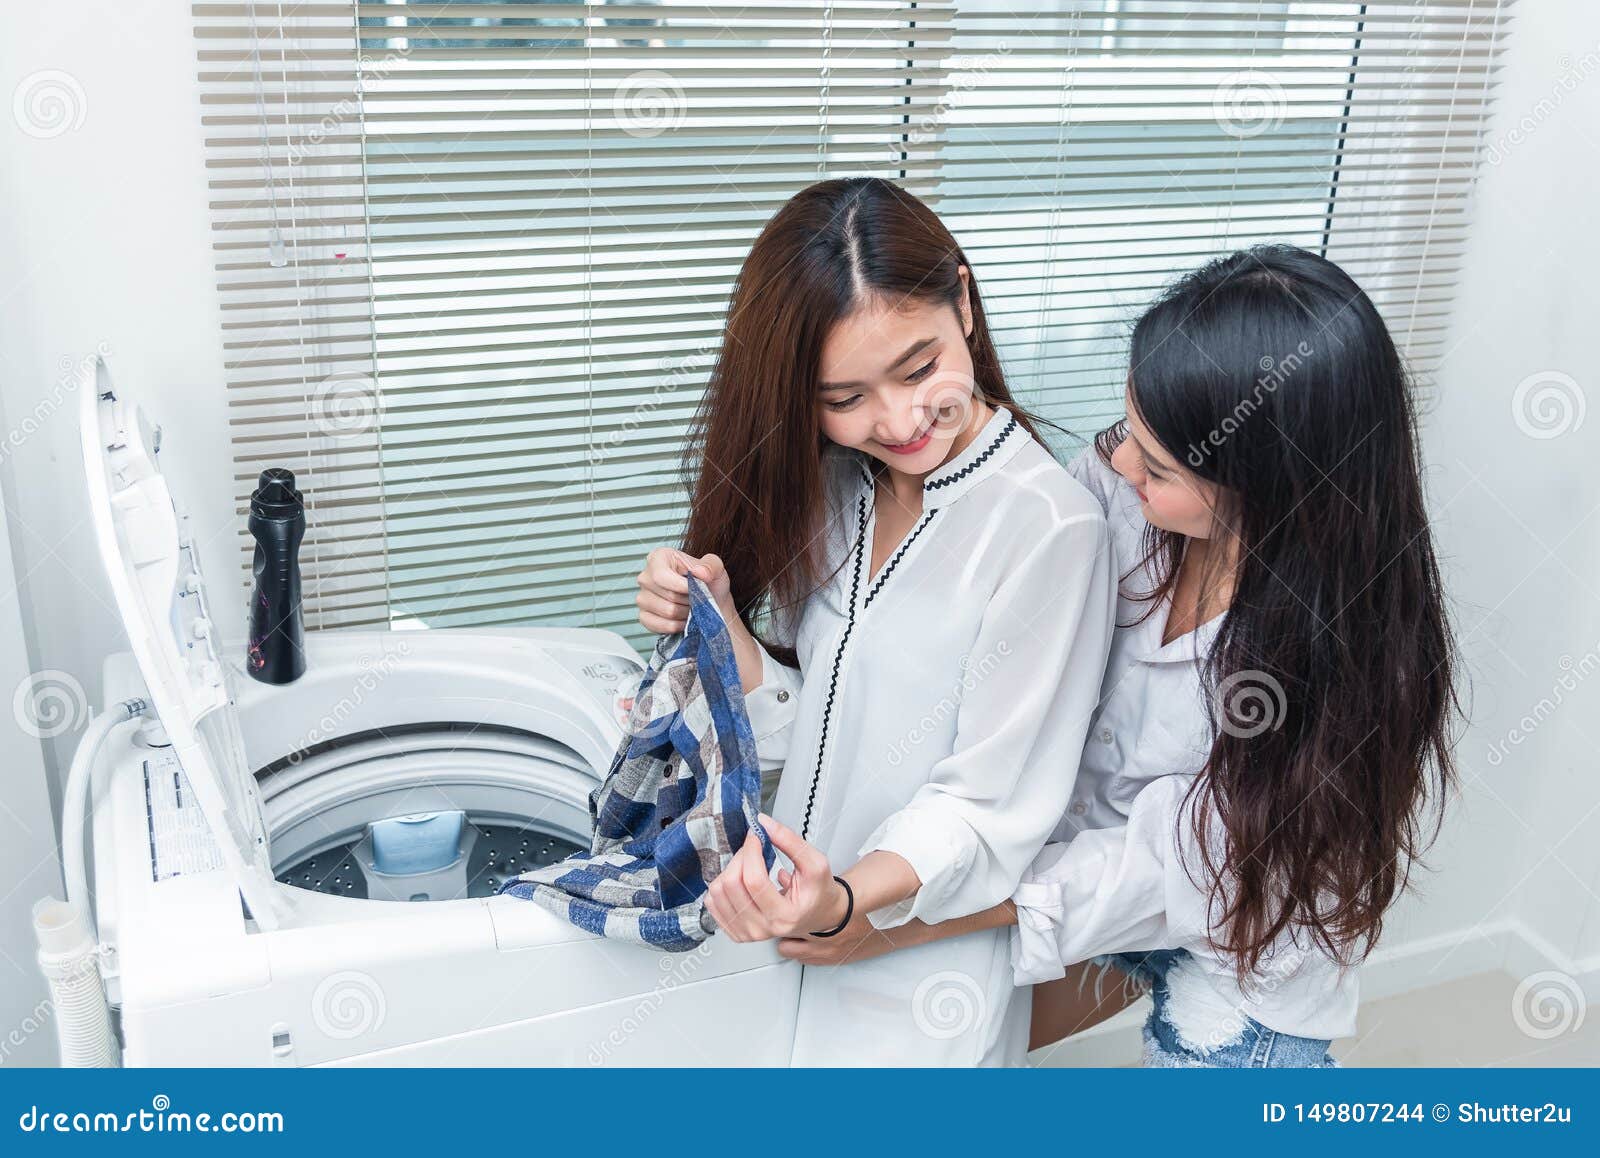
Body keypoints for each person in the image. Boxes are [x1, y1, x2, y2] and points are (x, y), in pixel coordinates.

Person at [778, 245, 1460, 1068]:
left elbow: (1158, 874)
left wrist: (893, 922)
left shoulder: (1337, 672)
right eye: (1123, 430)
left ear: (1266, 485)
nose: (1118, 464)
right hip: (1077, 866)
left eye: (1159, 464)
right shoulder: (1117, 496)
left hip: (1237, 940)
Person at [634, 177, 1117, 1064]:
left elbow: (987, 809)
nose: (898, 421)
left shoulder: (1049, 530)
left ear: (963, 303)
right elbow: (816, 721)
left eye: (919, 367)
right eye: (844, 397)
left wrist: (848, 900)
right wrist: (718, 626)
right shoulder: (833, 489)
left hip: (912, 974)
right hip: (789, 938)